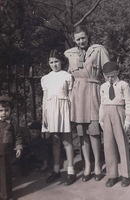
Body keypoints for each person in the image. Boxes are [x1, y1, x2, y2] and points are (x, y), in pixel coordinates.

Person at [64, 24, 109, 182]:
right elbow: (68, 77)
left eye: (83, 38)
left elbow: (108, 71)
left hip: (93, 91)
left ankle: (97, 164)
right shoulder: (70, 54)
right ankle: (87, 165)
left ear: (88, 37)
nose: (81, 41)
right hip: (77, 95)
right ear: (74, 40)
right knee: (82, 134)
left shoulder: (98, 50)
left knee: (94, 132)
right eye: (78, 39)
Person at [41, 49, 76, 186]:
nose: (54, 64)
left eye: (56, 61)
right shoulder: (46, 78)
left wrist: (72, 113)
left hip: (63, 109)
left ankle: (71, 171)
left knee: (66, 141)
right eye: (51, 62)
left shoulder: (67, 76)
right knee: (55, 141)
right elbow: (45, 98)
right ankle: (56, 170)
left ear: (61, 62)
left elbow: (71, 97)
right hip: (51, 110)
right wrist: (44, 114)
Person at [99, 61, 130, 187]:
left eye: (112, 75)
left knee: (122, 144)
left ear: (117, 72)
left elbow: (128, 103)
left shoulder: (123, 85)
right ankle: (112, 175)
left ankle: (126, 175)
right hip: (106, 114)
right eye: (107, 76)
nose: (110, 78)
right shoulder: (103, 87)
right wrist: (101, 119)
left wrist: (128, 119)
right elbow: (102, 104)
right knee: (108, 145)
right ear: (104, 75)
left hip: (119, 112)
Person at [0, 95, 22, 200]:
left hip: (6, 154)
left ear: (10, 111)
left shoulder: (13, 124)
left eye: (6, 110)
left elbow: (18, 136)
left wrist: (18, 147)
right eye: (1, 110)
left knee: (6, 175)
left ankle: (6, 195)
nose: (3, 113)